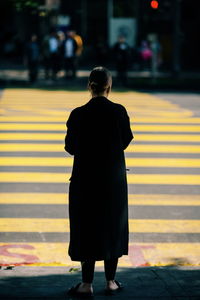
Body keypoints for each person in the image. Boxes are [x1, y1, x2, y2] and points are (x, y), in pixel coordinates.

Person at [64, 66, 133, 297]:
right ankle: (111, 281)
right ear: (109, 87)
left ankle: (86, 283)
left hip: (85, 179)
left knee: (86, 225)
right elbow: (125, 140)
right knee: (112, 225)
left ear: (89, 87)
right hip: (113, 180)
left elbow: (70, 147)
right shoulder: (119, 111)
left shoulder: (78, 114)